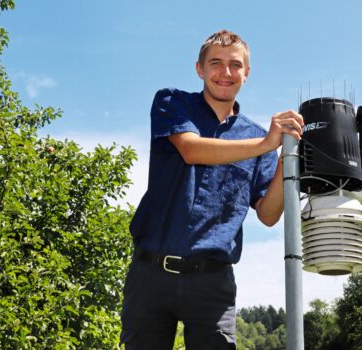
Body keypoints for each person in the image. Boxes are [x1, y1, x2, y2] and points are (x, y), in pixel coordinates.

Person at [121, 29, 303, 349]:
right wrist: (265, 144)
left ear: (247, 73)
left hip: (212, 282)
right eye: (216, 63)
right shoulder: (171, 102)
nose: (226, 72)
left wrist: (286, 158)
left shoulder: (260, 138)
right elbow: (191, 150)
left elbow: (269, 214)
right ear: (199, 69)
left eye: (235, 65)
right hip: (151, 273)